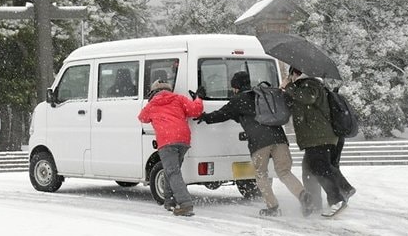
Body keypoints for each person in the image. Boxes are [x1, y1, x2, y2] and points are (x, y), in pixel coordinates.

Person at [197, 71, 313, 217]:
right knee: (284, 172)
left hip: (260, 142)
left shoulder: (238, 100)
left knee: (260, 174)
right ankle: (303, 195)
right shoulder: (262, 95)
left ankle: (272, 207)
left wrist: (204, 117)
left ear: (236, 87)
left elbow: (220, 115)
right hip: (279, 138)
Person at [282, 67, 354, 217]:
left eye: (291, 74)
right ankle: (315, 204)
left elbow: (308, 98)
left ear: (296, 73)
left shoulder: (310, 84)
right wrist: (286, 90)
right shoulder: (303, 88)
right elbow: (299, 105)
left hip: (319, 137)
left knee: (320, 166)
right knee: (308, 170)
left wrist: (289, 87)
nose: (290, 77)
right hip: (315, 137)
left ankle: (338, 197)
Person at [138, 80, 204, 216]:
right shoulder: (178, 99)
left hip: (167, 140)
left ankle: (185, 204)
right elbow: (196, 111)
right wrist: (198, 98)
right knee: (172, 170)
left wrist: (152, 107)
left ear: (153, 92)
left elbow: (142, 118)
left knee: (172, 172)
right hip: (183, 139)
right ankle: (169, 201)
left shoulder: (152, 104)